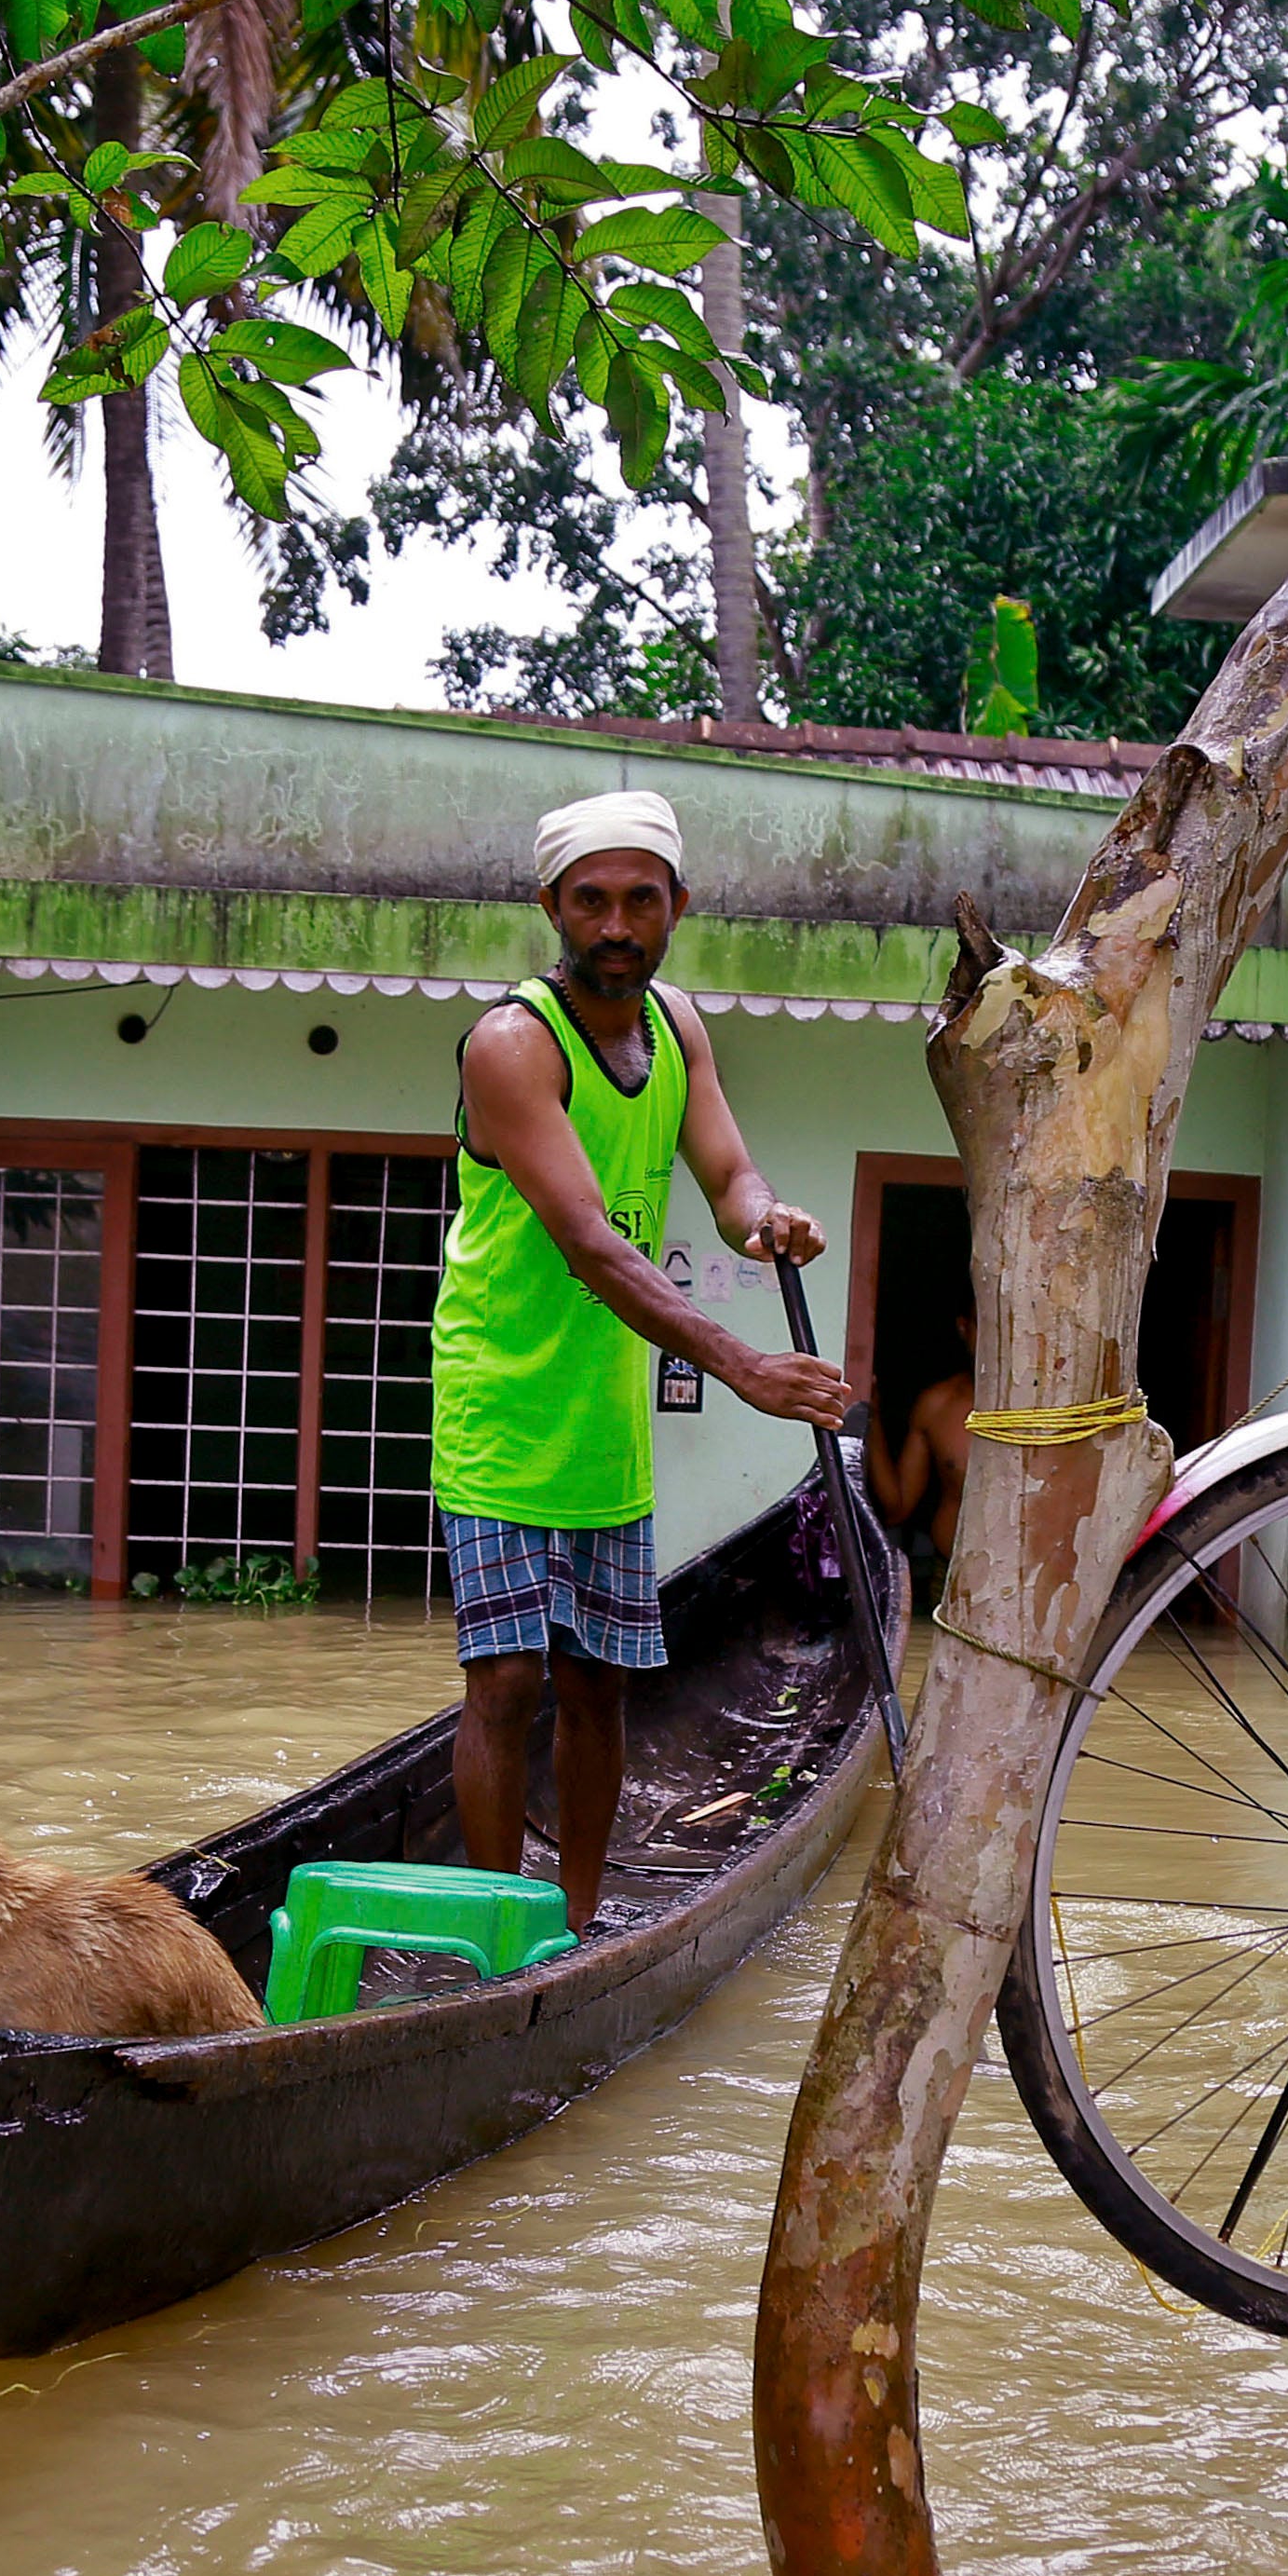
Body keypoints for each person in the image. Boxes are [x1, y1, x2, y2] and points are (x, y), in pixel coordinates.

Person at [436, 790, 860, 1934]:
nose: (615, 924)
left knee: (597, 1683)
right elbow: (588, 1242)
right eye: (591, 902)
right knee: (509, 1680)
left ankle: (572, 1925)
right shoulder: (513, 1044)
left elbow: (728, 1176)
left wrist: (768, 1216)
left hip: (606, 1413)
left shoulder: (677, 1026)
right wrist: (745, 1368)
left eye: (639, 899)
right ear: (550, 909)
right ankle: (490, 1930)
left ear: (678, 906)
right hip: (501, 1402)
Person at [862, 1321, 975, 1596]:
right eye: (986, 1323)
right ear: (964, 1327)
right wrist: (871, 1414)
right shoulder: (938, 1405)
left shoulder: (1058, 1410)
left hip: (1038, 1582)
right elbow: (898, 1507)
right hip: (951, 1580)